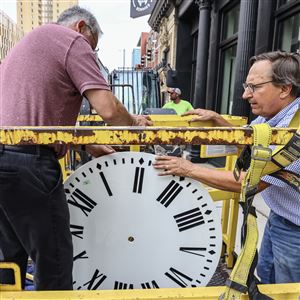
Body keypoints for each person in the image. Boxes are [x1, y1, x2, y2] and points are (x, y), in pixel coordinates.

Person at [0, 6, 151, 290]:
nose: (90, 54)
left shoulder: (25, 47)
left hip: (5, 156)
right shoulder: (72, 41)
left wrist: (85, 142)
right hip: (29, 164)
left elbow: (34, 112)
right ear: (81, 27)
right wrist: (135, 123)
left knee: (9, 258)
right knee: (54, 260)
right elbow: (108, 110)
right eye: (92, 47)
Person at [153, 51, 300, 284]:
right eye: (246, 86)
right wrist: (217, 121)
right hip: (281, 216)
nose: (245, 94)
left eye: (255, 87)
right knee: (268, 276)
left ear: (284, 89)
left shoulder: (294, 134)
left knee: (287, 289)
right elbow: (250, 148)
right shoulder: (270, 117)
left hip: (295, 229)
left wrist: (187, 168)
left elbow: (248, 181)